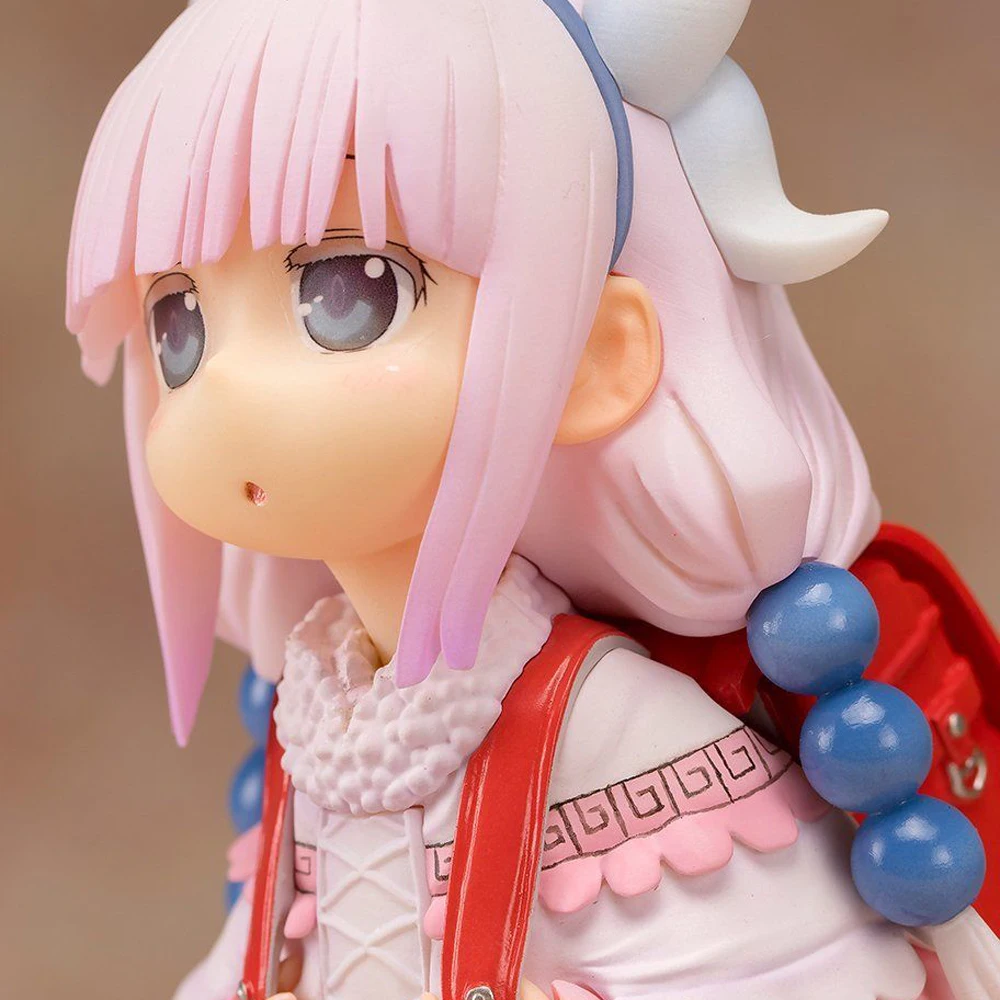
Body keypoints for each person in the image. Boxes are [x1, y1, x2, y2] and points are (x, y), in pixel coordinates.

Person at [65, 1, 997, 997]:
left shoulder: (609, 723)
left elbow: (787, 961)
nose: (221, 388)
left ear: (597, 354)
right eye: (179, 323)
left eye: (352, 292)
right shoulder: (322, 709)